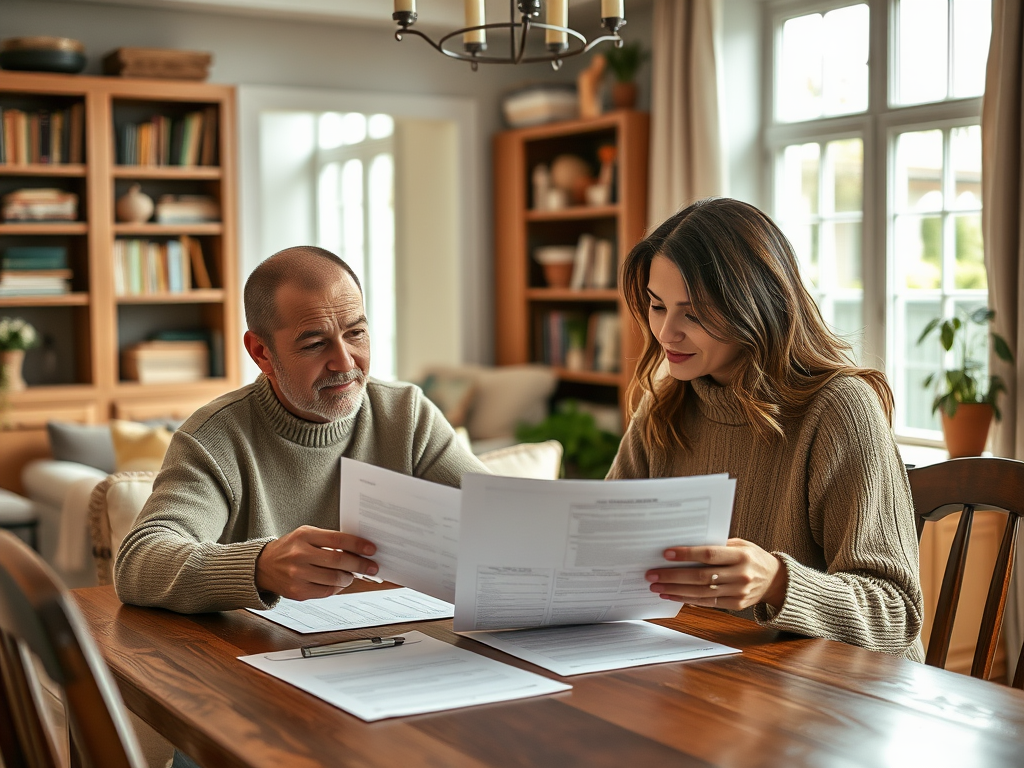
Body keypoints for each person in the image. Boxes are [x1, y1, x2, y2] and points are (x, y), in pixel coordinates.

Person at [607, 198, 924, 660]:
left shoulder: (839, 410)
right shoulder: (665, 405)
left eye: (692, 314)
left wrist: (776, 582)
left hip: (840, 698)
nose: (665, 333)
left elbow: (896, 613)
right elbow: (606, 546)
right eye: (657, 306)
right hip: (715, 676)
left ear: (754, 307)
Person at [114, 246, 487, 614]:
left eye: (355, 333)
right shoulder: (215, 439)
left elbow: (501, 519)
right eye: (315, 343)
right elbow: (138, 562)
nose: (344, 362)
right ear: (261, 352)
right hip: (257, 658)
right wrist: (260, 566)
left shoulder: (405, 415)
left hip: (395, 645)